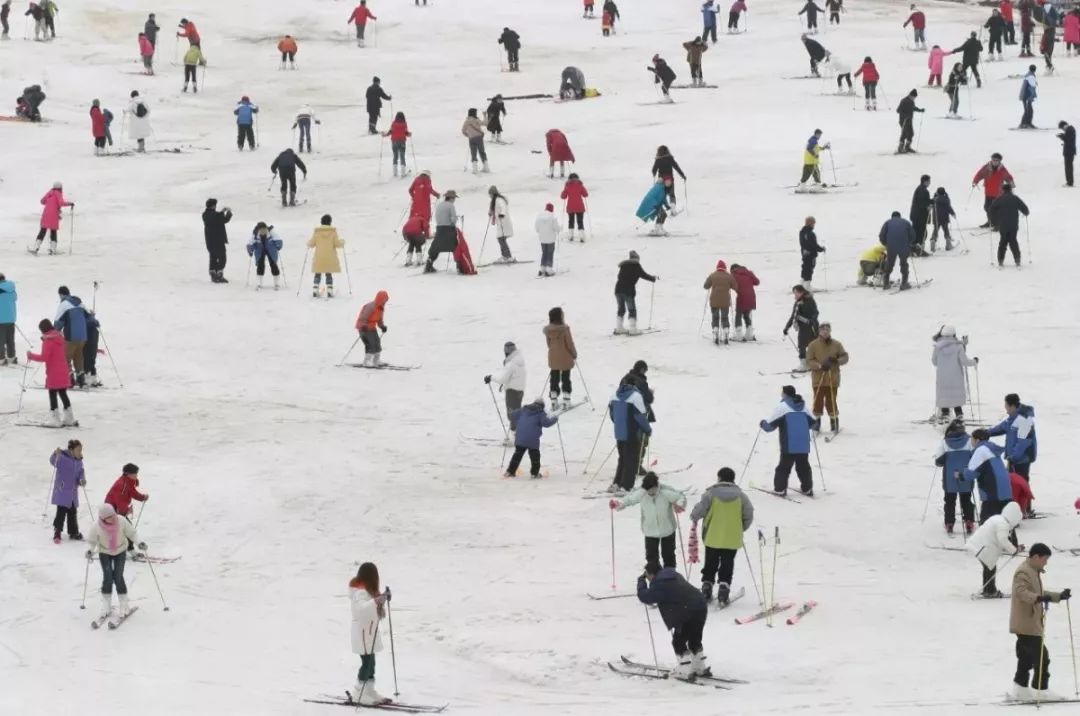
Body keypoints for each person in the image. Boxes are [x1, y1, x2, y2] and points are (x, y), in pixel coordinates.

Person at [1009, 544, 1072, 701]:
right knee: (1042, 657)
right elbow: (1022, 592)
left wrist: (1058, 596)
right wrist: (1038, 598)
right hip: (1026, 623)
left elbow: (1038, 593)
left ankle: (1020, 688)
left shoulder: (1032, 570)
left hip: (1029, 622)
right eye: (1045, 559)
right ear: (1036, 557)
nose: (1046, 563)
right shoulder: (1023, 571)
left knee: (1026, 657)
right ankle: (1040, 690)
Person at [963, 429, 1017, 596]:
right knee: (1004, 524)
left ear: (977, 439)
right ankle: (1012, 544)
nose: (971, 442)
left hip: (992, 497)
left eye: (972, 439)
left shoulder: (980, 450)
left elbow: (971, 473)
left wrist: (960, 475)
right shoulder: (993, 449)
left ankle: (989, 588)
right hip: (1005, 495)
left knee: (988, 537)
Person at [690, 467, 753, 604]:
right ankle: (724, 589)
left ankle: (707, 586)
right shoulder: (741, 496)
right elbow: (749, 513)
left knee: (710, 562)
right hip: (732, 538)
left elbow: (699, 510)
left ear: (719, 478)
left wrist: (694, 516)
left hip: (713, 536)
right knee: (727, 563)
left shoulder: (710, 494)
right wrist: (741, 528)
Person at [637, 561, 709, 678]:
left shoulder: (659, 584)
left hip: (688, 612)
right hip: (700, 606)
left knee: (678, 642)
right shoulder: (673, 574)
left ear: (651, 574)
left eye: (647, 575)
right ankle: (699, 667)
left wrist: (641, 582)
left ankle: (685, 671)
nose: (648, 579)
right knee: (694, 639)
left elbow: (645, 596)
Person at [611, 472, 687, 569]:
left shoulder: (665, 491)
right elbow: (629, 500)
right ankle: (655, 579)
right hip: (650, 530)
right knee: (651, 558)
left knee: (669, 555)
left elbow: (680, 497)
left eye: (653, 490)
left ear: (656, 486)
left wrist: (679, 505)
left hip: (668, 529)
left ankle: (670, 577)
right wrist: (618, 504)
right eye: (648, 491)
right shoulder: (641, 493)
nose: (651, 493)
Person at [86, 503, 145, 624]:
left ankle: (124, 605)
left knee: (118, 577)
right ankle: (106, 606)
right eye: (109, 517)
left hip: (120, 551)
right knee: (107, 577)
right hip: (105, 552)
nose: (113, 518)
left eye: (113, 515)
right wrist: (89, 551)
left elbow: (132, 533)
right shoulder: (96, 526)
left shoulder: (121, 520)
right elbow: (91, 542)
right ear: (103, 518)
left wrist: (139, 543)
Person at [761, 385, 817, 497]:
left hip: (789, 444)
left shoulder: (782, 407)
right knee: (803, 467)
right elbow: (815, 424)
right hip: (803, 443)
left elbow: (770, 427)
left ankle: (780, 489)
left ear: (785, 394)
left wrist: (763, 423)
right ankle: (807, 488)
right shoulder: (804, 407)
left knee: (784, 467)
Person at [348, 562, 391, 705]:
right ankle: (358, 693)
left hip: (369, 632)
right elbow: (362, 610)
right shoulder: (360, 592)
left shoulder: (367, 590)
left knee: (371, 663)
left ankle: (369, 690)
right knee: (366, 663)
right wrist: (377, 600)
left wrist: (383, 598)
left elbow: (373, 608)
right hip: (362, 633)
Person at [967, 497, 1022, 598]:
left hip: (978, 544)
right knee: (990, 567)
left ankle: (988, 589)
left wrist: (1014, 548)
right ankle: (990, 591)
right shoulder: (1003, 524)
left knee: (989, 567)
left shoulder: (998, 518)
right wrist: (1014, 550)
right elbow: (1002, 539)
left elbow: (1001, 539)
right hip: (985, 548)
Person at [26, 319, 74, 427]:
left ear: (43, 330)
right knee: (62, 392)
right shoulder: (59, 337)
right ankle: (69, 417)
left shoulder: (48, 341)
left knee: (52, 393)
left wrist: (31, 356)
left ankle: (55, 419)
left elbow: (44, 357)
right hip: (63, 369)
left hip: (54, 372)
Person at [608, 378, 652, 495]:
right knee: (632, 460)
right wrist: (647, 429)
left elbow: (612, 415)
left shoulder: (614, 395)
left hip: (619, 433)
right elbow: (640, 416)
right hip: (632, 433)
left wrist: (619, 425)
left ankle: (616, 483)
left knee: (622, 458)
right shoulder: (636, 396)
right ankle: (626, 487)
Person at [805, 322, 848, 435]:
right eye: (823, 330)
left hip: (832, 378)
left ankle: (834, 423)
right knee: (817, 401)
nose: (825, 332)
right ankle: (816, 424)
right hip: (818, 378)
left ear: (830, 331)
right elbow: (809, 360)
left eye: (827, 330)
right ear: (819, 331)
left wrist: (836, 361)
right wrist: (819, 365)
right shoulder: (813, 345)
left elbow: (845, 357)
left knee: (831, 401)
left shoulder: (836, 344)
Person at [934, 419, 975, 534]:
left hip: (949, 478)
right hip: (965, 476)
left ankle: (949, 523)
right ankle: (969, 521)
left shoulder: (945, 442)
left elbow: (938, 461)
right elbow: (974, 457)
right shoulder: (969, 441)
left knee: (949, 500)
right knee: (966, 499)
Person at [988, 393, 1037, 485]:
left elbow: (1023, 443)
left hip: (1022, 460)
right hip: (1013, 459)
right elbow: (1001, 427)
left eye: (1006, 406)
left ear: (1013, 406)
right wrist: (985, 433)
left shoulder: (1024, 421)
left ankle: (1023, 500)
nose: (1005, 408)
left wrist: (1013, 457)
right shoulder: (1012, 418)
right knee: (1012, 485)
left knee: (1021, 484)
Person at [931, 326, 977, 423]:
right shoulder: (958, 346)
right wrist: (974, 361)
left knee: (944, 399)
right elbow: (964, 361)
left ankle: (945, 416)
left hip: (943, 379)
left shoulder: (938, 347)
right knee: (956, 399)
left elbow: (934, 362)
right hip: (956, 379)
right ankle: (959, 416)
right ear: (954, 335)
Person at [484, 341, 526, 442]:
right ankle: (518, 434)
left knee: (512, 415)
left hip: (512, 392)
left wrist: (490, 377)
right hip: (520, 390)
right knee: (516, 413)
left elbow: (502, 379)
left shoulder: (511, 364)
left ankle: (515, 437)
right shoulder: (519, 360)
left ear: (507, 352)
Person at [505, 399, 558, 478]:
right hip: (532, 440)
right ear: (542, 406)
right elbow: (546, 423)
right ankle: (534, 473)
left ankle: (510, 472)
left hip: (520, 438)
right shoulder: (540, 413)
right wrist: (555, 418)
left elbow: (512, 415)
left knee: (517, 455)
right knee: (535, 457)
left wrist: (511, 411)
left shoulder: (523, 410)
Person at [614, 250, 657, 336]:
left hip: (618, 290)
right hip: (628, 291)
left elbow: (619, 276)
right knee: (632, 309)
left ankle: (619, 328)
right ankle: (633, 329)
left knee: (621, 309)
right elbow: (644, 275)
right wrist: (653, 278)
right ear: (637, 258)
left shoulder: (624, 265)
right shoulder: (636, 266)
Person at [50, 441, 85, 542]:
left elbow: (81, 472)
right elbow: (53, 461)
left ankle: (73, 532)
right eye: (78, 450)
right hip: (63, 491)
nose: (80, 452)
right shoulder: (62, 458)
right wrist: (55, 454)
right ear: (71, 450)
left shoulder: (79, 461)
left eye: (80, 450)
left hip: (72, 493)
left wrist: (81, 480)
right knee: (61, 513)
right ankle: (57, 533)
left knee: (72, 512)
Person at [989, 182, 1030, 266]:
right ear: (1011, 189)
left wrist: (993, 221)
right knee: (1013, 241)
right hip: (1013, 225)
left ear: (1003, 190)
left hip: (1003, 225)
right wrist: (1025, 213)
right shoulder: (1015, 198)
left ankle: (1000, 260)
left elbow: (991, 210)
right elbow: (1025, 209)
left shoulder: (999, 199)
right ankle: (1017, 259)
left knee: (1003, 242)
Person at [544, 307, 577, 409]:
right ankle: (566, 400)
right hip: (565, 356)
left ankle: (554, 400)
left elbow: (548, 344)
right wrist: (574, 353)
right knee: (566, 377)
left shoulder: (548, 330)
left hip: (553, 356)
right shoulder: (564, 329)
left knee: (554, 377)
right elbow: (569, 343)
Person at [54, 286, 87, 386]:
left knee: (65, 358)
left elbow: (58, 322)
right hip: (83, 336)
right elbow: (88, 316)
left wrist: (54, 333)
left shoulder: (64, 304)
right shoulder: (80, 303)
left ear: (61, 294)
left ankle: (69, 379)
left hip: (71, 336)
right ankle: (81, 378)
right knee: (78, 356)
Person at [973, 153, 1015, 228]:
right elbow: (979, 174)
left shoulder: (1002, 170)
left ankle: (997, 224)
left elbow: (1008, 177)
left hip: (998, 193)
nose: (995, 162)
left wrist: (1011, 183)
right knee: (987, 207)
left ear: (999, 161)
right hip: (988, 192)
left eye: (997, 160)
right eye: (993, 160)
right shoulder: (986, 168)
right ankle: (990, 222)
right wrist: (975, 181)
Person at [783, 284, 818, 371]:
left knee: (804, 345)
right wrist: (787, 327)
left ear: (801, 292)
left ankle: (805, 365)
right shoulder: (799, 302)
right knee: (809, 345)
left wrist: (811, 320)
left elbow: (815, 312)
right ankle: (808, 363)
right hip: (805, 326)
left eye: (795, 293)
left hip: (810, 327)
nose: (794, 295)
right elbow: (793, 316)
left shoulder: (809, 300)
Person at [307, 215, 344, 297]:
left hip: (319, 258)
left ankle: (315, 289)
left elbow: (312, 244)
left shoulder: (317, 232)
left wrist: (308, 243)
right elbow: (337, 244)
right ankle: (330, 290)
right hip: (330, 258)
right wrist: (342, 242)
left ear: (321, 222)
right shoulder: (333, 232)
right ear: (330, 222)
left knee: (317, 273)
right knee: (328, 273)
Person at [32, 181, 72, 255]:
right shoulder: (58, 193)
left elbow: (42, 201)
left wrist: (49, 203)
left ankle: (35, 248)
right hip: (54, 215)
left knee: (42, 231)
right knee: (53, 232)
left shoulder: (50, 192)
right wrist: (70, 203)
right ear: (60, 188)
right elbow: (61, 203)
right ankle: (52, 249)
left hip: (46, 214)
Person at [703, 259, 737, 345]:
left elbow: (706, 286)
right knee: (725, 317)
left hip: (714, 301)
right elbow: (735, 286)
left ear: (717, 267)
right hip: (725, 301)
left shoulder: (713, 275)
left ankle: (715, 332)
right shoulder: (728, 276)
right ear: (725, 267)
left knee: (715, 317)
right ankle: (726, 332)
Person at [878, 211, 914, 290]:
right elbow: (912, 235)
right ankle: (904, 283)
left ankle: (886, 283)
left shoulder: (887, 222)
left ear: (892, 217)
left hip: (891, 246)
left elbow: (881, 236)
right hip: (904, 245)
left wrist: (886, 244)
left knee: (890, 263)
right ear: (900, 216)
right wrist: (909, 243)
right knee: (904, 263)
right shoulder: (906, 222)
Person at [424, 191, 458, 273]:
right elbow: (453, 219)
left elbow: (437, 217)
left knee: (436, 247)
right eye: (454, 198)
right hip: (449, 229)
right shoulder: (451, 205)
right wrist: (455, 220)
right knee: (456, 247)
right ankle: (460, 265)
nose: (454, 200)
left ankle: (429, 264)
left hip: (439, 228)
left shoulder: (440, 205)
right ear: (451, 198)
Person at [355, 291, 389, 368]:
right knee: (371, 344)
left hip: (372, 328)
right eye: (384, 300)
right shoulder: (371, 306)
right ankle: (367, 361)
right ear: (380, 299)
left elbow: (379, 320)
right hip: (364, 328)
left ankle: (376, 360)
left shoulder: (380, 308)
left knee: (377, 343)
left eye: (386, 300)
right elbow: (363, 316)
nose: (385, 302)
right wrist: (363, 325)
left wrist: (382, 326)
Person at [202, 199, 232, 284]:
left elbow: (216, 217)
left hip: (209, 241)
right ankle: (218, 274)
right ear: (213, 205)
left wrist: (222, 212)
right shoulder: (215, 215)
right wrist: (228, 212)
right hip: (218, 240)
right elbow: (224, 219)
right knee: (222, 258)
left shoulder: (204, 215)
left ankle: (213, 274)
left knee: (213, 257)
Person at [246, 222, 283, 290]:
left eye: (264, 229)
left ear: (266, 228)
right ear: (258, 230)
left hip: (271, 250)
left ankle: (276, 283)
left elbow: (278, 239)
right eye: (261, 230)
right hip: (260, 250)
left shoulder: (271, 231)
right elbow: (250, 243)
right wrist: (250, 250)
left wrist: (278, 245)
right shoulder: (255, 234)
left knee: (273, 264)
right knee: (260, 265)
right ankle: (259, 283)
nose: (263, 231)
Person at [730, 264, 758, 341]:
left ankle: (738, 335)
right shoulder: (748, 272)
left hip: (742, 296)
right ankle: (749, 334)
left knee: (738, 314)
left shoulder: (734, 274)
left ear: (733, 269)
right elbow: (757, 282)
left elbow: (730, 284)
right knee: (746, 314)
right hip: (751, 296)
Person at [487, 186, 515, 263]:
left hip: (503, 222)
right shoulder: (494, 201)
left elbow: (503, 208)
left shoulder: (499, 200)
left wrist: (502, 214)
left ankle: (508, 256)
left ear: (493, 193)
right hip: (500, 223)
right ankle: (505, 256)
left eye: (490, 194)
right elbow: (494, 210)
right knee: (501, 239)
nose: (489, 196)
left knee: (501, 239)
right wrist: (490, 213)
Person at [798, 216, 825, 291]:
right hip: (811, 255)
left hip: (804, 254)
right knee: (809, 270)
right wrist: (821, 249)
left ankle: (801, 286)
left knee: (804, 268)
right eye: (813, 223)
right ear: (810, 223)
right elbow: (814, 245)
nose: (814, 225)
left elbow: (803, 243)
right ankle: (807, 287)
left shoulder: (802, 232)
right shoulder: (810, 233)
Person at [560, 172, 588, 241]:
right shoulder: (580, 185)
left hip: (571, 207)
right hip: (579, 207)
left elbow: (563, 196)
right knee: (580, 221)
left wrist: (565, 188)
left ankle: (570, 236)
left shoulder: (568, 185)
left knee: (571, 221)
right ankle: (581, 236)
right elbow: (586, 194)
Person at [896, 89, 924, 154]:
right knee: (904, 134)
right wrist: (906, 115)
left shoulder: (911, 102)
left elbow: (913, 108)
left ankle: (907, 147)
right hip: (903, 120)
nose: (914, 98)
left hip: (909, 120)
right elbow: (898, 110)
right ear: (911, 95)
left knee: (911, 133)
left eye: (915, 97)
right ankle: (900, 148)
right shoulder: (904, 101)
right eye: (914, 97)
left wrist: (920, 110)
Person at [910, 174, 932, 255]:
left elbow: (925, 201)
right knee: (921, 233)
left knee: (920, 232)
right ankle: (917, 249)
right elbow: (922, 203)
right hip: (919, 216)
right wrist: (928, 206)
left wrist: (932, 201)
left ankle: (915, 248)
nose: (930, 183)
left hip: (916, 215)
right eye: (929, 181)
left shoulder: (920, 189)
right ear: (925, 182)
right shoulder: (923, 190)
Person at [461, 108, 489, 174]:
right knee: (482, 152)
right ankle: (486, 167)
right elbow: (485, 123)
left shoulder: (466, 121)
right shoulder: (476, 120)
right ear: (474, 113)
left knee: (473, 153)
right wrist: (485, 115)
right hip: (479, 138)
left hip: (471, 139)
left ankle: (475, 169)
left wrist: (468, 135)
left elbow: (463, 130)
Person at [535, 203, 559, 277]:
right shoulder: (553, 217)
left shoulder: (539, 216)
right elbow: (556, 228)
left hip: (542, 239)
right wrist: (560, 228)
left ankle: (542, 268)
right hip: (551, 239)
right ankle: (549, 269)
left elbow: (536, 228)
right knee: (550, 253)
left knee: (544, 253)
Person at [930, 186, 956, 251]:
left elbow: (931, 205)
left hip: (936, 218)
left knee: (935, 230)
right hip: (944, 218)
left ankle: (933, 240)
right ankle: (948, 243)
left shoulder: (935, 200)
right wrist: (953, 213)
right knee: (946, 230)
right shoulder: (946, 199)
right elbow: (948, 207)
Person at [0, 273, 15, 366]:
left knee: (1, 340)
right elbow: (15, 298)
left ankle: (1, 358)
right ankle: (11, 357)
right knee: (10, 339)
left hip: (1, 319)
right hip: (11, 318)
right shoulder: (12, 289)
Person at [1059, 121, 1076, 187]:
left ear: (1064, 126)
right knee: (1068, 167)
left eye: (1062, 128)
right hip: (1070, 151)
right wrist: (1063, 136)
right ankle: (1069, 182)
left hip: (1069, 152)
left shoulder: (1070, 130)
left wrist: (1062, 137)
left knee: (1068, 168)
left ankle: (1069, 182)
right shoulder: (1070, 129)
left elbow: (1068, 139)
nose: (1063, 130)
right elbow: (1068, 139)